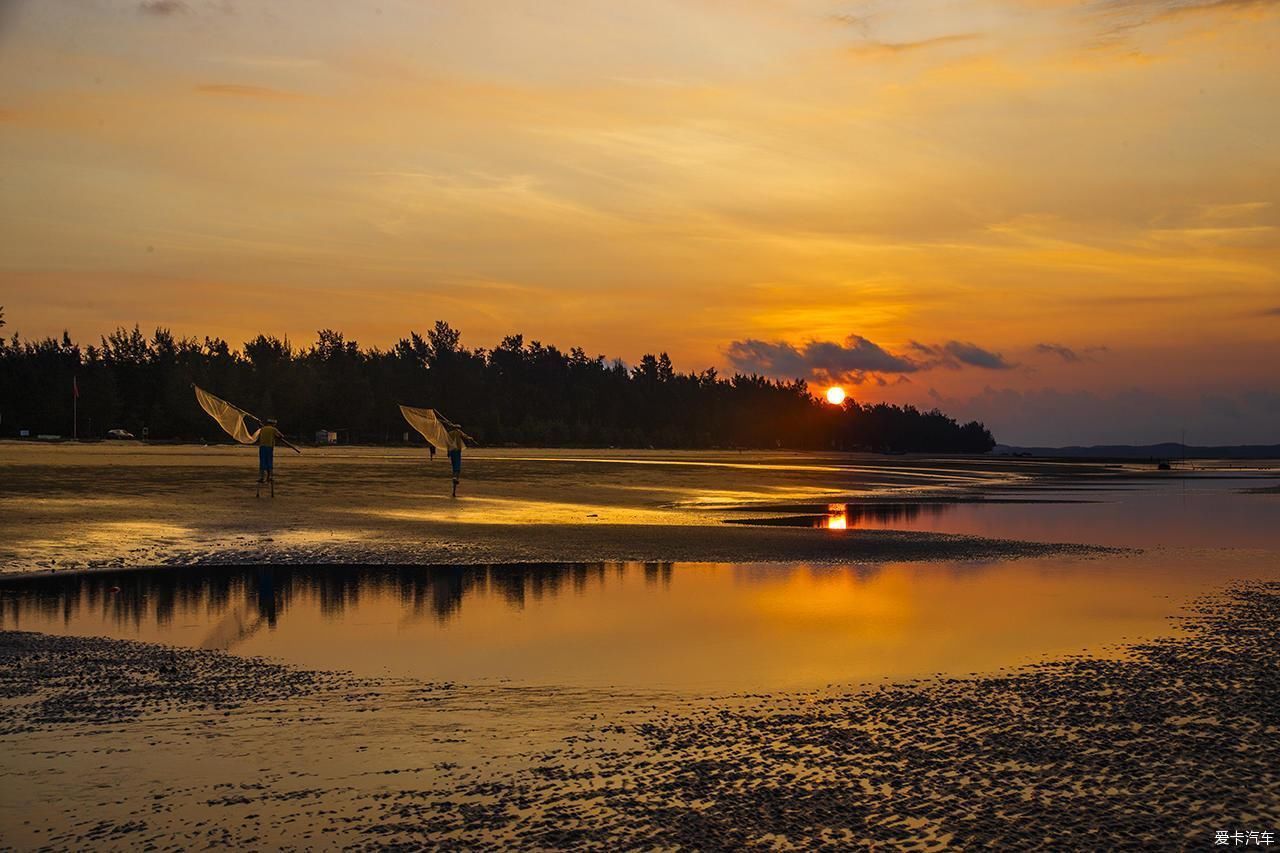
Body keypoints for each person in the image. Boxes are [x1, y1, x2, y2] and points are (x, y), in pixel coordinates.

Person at [438, 417, 476, 497]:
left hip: (452, 452)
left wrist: (448, 452)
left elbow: (448, 443)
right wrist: (471, 438)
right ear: (458, 428)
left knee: (454, 467)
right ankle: (455, 479)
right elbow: (465, 436)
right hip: (457, 452)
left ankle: (454, 489)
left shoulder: (450, 433)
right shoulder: (458, 433)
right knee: (457, 468)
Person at [256, 417, 300, 485]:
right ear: (273, 424)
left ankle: (262, 477)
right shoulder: (273, 429)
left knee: (262, 462)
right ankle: (269, 477)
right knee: (269, 461)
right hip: (269, 447)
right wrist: (277, 436)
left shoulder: (262, 429)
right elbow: (281, 436)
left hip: (262, 447)